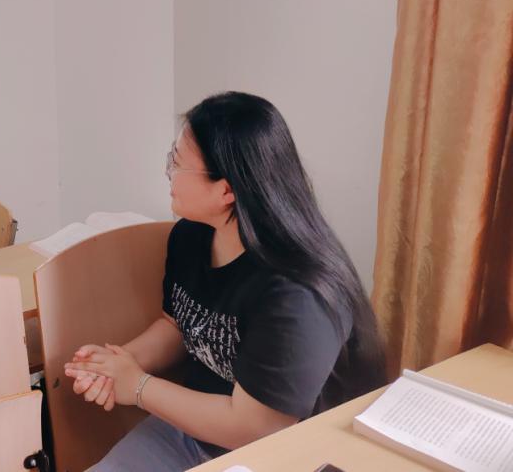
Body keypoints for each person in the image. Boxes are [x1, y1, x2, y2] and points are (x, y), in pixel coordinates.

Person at [65, 92, 385, 471]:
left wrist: (137, 386)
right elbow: (178, 325)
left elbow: (256, 428)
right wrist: (119, 363)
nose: (168, 172)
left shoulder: (298, 294)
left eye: (177, 163)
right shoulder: (191, 235)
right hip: (191, 427)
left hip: (281, 454)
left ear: (227, 190)